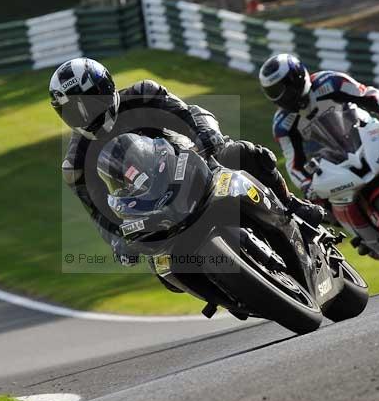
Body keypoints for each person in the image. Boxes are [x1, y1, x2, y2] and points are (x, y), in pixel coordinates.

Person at [50, 57, 325, 268]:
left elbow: (187, 113)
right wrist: (116, 240)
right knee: (161, 265)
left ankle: (291, 205)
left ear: (107, 88)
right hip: (145, 202)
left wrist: (207, 136)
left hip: (186, 158)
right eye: (74, 110)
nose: (87, 114)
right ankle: (226, 289)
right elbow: (98, 212)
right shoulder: (75, 163)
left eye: (91, 101)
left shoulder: (144, 92)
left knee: (243, 153)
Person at [258, 53, 379, 222]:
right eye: (273, 92)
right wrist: (306, 184)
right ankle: (362, 231)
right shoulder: (282, 125)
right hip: (332, 162)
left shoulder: (329, 81)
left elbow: (368, 94)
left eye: (282, 88)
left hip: (367, 134)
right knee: (326, 209)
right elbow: (293, 163)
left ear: (296, 78)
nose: (281, 96)